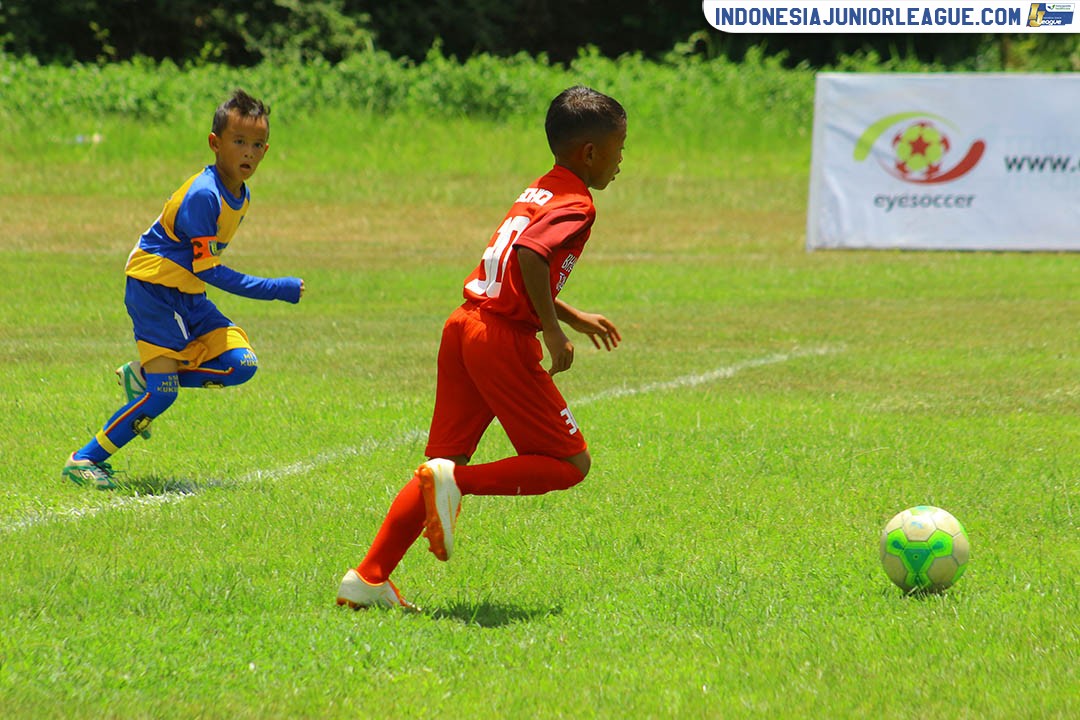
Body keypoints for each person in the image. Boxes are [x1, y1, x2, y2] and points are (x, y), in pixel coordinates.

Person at [337, 85, 626, 610]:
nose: (621, 162)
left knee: (438, 465)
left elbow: (516, 263)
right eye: (619, 149)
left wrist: (570, 314)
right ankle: (458, 484)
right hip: (499, 339)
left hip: (464, 325)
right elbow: (533, 257)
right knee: (569, 464)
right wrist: (553, 332)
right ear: (590, 152)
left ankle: (368, 577)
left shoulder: (540, 188)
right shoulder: (578, 202)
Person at [62, 89, 304, 489]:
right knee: (163, 396)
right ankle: (85, 459)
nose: (249, 152)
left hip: (188, 294)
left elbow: (201, 272)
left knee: (240, 365)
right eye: (239, 142)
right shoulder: (204, 195)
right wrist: (274, 288)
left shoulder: (239, 194)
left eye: (257, 145)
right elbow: (211, 270)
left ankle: (144, 375)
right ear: (215, 144)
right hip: (154, 289)